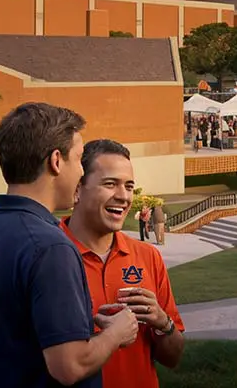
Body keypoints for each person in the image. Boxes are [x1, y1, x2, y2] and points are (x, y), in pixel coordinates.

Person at [0, 102, 139, 388]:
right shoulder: (50, 247)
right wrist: (116, 332)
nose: (82, 174)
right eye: (79, 159)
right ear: (56, 161)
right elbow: (69, 365)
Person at [61, 139, 186, 387]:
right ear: (78, 189)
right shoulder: (49, 256)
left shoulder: (148, 257)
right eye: (110, 184)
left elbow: (173, 358)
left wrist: (163, 323)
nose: (124, 196)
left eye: (129, 186)